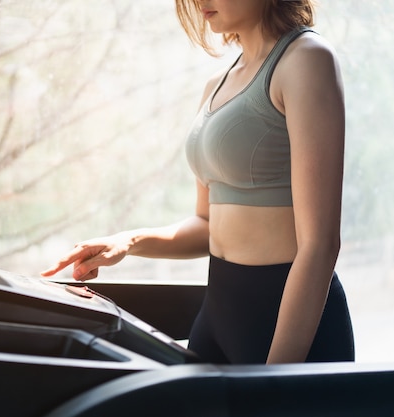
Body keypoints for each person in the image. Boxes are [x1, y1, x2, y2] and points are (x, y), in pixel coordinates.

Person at [42, 0, 354, 365]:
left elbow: (320, 245)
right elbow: (207, 224)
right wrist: (127, 242)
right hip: (218, 315)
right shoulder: (216, 85)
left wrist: (277, 380)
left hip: (290, 325)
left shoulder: (306, 60)